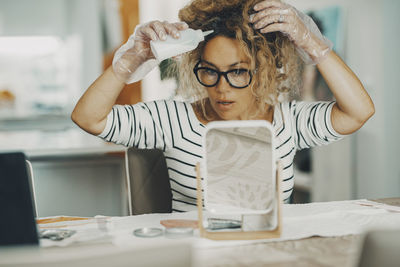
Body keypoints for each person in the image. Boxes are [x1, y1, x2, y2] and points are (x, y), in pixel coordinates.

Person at [71, 0, 374, 212]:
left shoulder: (288, 121)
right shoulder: (170, 118)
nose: (222, 86)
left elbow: (359, 111)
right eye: (210, 70)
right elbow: (88, 117)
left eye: (238, 71)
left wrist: (313, 44)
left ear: (264, 69)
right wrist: (128, 64)